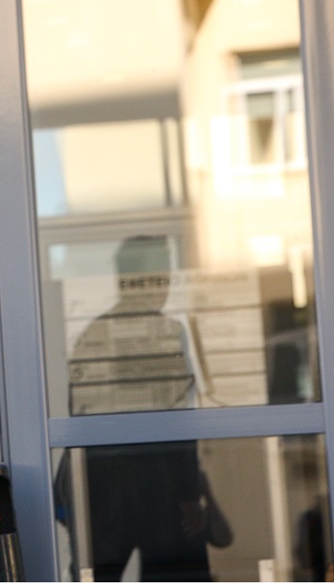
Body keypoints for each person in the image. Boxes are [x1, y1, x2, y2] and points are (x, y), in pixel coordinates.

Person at [56, 236, 232, 581]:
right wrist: (189, 494)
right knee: (178, 575)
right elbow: (180, 418)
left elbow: (80, 410)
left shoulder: (92, 333)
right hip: (161, 485)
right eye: (161, 277)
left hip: (103, 487)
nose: (165, 287)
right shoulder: (168, 333)